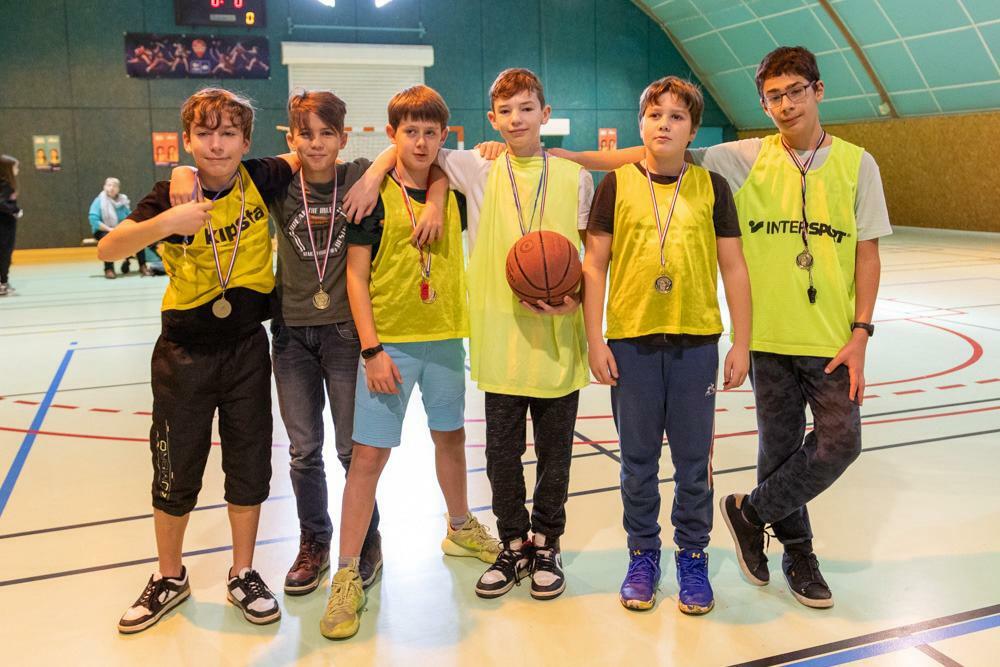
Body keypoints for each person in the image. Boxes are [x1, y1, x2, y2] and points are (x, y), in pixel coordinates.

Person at [559, 46, 891, 609]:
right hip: (744, 341)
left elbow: (864, 252)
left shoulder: (848, 165)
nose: (785, 104)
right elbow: (654, 157)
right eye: (773, 96)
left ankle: (738, 522)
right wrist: (567, 157)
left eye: (795, 91)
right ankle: (780, 553)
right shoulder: (741, 157)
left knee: (834, 441)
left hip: (817, 338)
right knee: (763, 454)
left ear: (818, 90)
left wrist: (860, 331)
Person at [346, 68, 594, 602]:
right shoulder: (478, 166)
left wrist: (576, 299)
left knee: (555, 458)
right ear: (491, 119)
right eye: (506, 111)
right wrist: (373, 178)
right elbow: (417, 151)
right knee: (501, 457)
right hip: (499, 345)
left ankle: (546, 544)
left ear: (546, 114)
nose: (517, 119)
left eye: (527, 108)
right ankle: (512, 543)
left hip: (559, 342)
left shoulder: (576, 178)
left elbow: (591, 259)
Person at [98, 87, 298, 634]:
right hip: (183, 353)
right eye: (204, 134)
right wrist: (169, 221)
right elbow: (109, 249)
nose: (217, 145)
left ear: (246, 141)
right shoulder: (169, 193)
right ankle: (169, 576)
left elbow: (308, 151)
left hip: (247, 349)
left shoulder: (259, 177)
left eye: (228, 133)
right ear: (187, 140)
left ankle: (243, 572)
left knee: (249, 466)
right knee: (175, 468)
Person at [320, 85, 500, 640]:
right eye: (410, 132)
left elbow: (452, 171)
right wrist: (372, 350)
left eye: (430, 133)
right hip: (390, 346)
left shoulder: (454, 190)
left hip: (445, 337)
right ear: (392, 134)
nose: (420, 142)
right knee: (368, 457)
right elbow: (354, 278)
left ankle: (460, 526)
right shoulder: (371, 197)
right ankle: (346, 573)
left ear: (444, 136)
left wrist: (444, 190)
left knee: (451, 438)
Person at [582, 76, 751, 614]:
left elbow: (734, 267)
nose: (664, 124)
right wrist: (594, 339)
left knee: (693, 461)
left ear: (693, 130)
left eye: (677, 116)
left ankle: (693, 557)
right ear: (640, 124)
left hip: (696, 343)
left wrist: (741, 342)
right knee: (636, 462)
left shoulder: (712, 187)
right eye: (655, 115)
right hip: (630, 342)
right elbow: (594, 265)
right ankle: (643, 555)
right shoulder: (615, 186)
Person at [89, 177, 152, 278]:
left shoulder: (123, 201)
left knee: (138, 237)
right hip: (103, 230)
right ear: (104, 187)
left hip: (120, 229)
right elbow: (93, 220)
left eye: (114, 186)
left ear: (118, 189)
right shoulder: (99, 201)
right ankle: (109, 269)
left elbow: (130, 216)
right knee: (107, 238)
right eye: (109, 185)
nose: (111, 188)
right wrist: (110, 229)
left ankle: (142, 266)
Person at [0, 155, 21, 297]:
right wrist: (15, 211)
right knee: (4, 254)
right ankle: (3, 283)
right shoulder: (5, 185)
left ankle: (3, 282)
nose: (17, 170)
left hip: (5, 224)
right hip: (4, 225)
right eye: (15, 167)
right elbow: (1, 203)